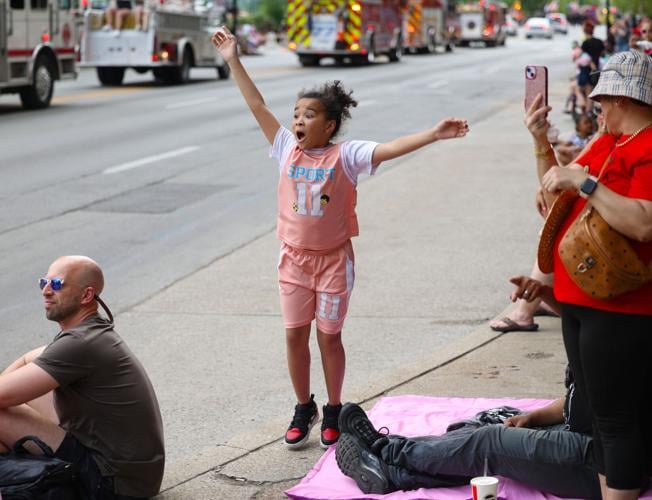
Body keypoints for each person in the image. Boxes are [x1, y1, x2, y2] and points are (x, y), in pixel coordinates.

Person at [211, 26, 469, 450]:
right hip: (293, 260)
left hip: (333, 262)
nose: (297, 120)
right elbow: (256, 103)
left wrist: (433, 134)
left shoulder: (345, 156)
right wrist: (233, 59)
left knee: (329, 337)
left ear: (329, 125)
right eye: (296, 114)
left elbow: (389, 148)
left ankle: (333, 407)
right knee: (295, 334)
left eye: (308, 115)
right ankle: (303, 406)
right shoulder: (283, 148)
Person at [335, 276, 601, 498]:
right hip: (588, 440)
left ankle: (384, 452)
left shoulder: (623, 340)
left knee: (489, 441)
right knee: (493, 422)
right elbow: (580, 397)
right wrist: (532, 417)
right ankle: (394, 472)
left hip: (596, 461)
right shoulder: (607, 327)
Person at [525, 49, 652, 499]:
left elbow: (643, 222)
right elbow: (552, 197)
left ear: (621, 98)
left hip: (620, 307)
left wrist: (584, 183)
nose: (597, 109)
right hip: (581, 300)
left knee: (615, 419)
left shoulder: (647, 146)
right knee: (597, 416)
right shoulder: (608, 143)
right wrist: (542, 144)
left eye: (601, 101)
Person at [0, 256, 165, 499]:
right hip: (134, 476)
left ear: (87, 296)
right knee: (25, 377)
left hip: (113, 484)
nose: (46, 291)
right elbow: (28, 360)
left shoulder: (80, 344)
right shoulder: (90, 332)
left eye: (56, 284)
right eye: (43, 282)